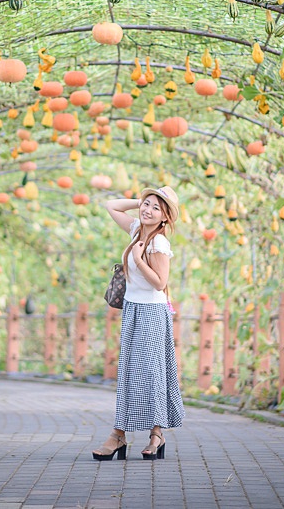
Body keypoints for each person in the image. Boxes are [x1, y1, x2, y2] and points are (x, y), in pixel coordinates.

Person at [92, 186, 186, 461]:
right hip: (133, 309)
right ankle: (121, 435)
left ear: (165, 217)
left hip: (152, 313)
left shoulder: (158, 243)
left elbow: (160, 282)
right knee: (130, 374)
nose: (147, 210)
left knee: (151, 373)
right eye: (146, 205)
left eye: (157, 208)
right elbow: (111, 205)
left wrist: (136, 259)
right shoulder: (136, 230)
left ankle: (152, 434)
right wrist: (145, 202)